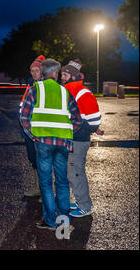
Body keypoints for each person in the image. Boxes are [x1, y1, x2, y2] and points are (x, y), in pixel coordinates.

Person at [20, 58, 82, 230]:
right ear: (55, 73)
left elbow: (24, 117)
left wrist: (33, 136)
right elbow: (77, 120)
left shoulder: (34, 90)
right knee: (62, 182)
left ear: (44, 71)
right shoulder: (64, 92)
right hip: (62, 143)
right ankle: (64, 220)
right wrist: (66, 133)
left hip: (42, 143)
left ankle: (50, 220)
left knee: (46, 183)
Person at [61, 59, 103, 218]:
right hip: (72, 139)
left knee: (76, 173)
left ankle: (85, 206)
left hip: (78, 140)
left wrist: (81, 130)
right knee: (71, 171)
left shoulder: (82, 92)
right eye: (62, 74)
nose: (62, 77)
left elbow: (94, 120)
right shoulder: (67, 90)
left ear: (73, 76)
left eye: (65, 74)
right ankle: (80, 201)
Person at [20, 55, 45, 198]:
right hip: (29, 130)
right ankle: (38, 188)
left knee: (42, 161)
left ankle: (44, 192)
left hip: (39, 130)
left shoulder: (43, 86)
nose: (33, 73)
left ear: (42, 71)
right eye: (32, 70)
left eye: (36, 70)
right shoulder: (31, 85)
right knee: (34, 160)